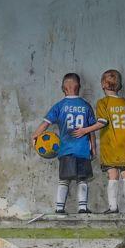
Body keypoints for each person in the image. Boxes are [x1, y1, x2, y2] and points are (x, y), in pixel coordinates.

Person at [31, 73, 96, 214]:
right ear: (79, 87)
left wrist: (35, 136)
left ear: (63, 88)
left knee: (64, 180)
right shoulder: (86, 106)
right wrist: (94, 149)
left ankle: (59, 208)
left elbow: (45, 124)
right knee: (82, 180)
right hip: (83, 150)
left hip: (65, 150)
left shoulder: (59, 106)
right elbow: (92, 131)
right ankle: (83, 208)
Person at [73, 69, 125, 213]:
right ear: (119, 85)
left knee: (112, 174)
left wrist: (85, 130)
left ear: (103, 84)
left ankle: (113, 207)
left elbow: (102, 122)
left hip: (111, 145)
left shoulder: (103, 103)